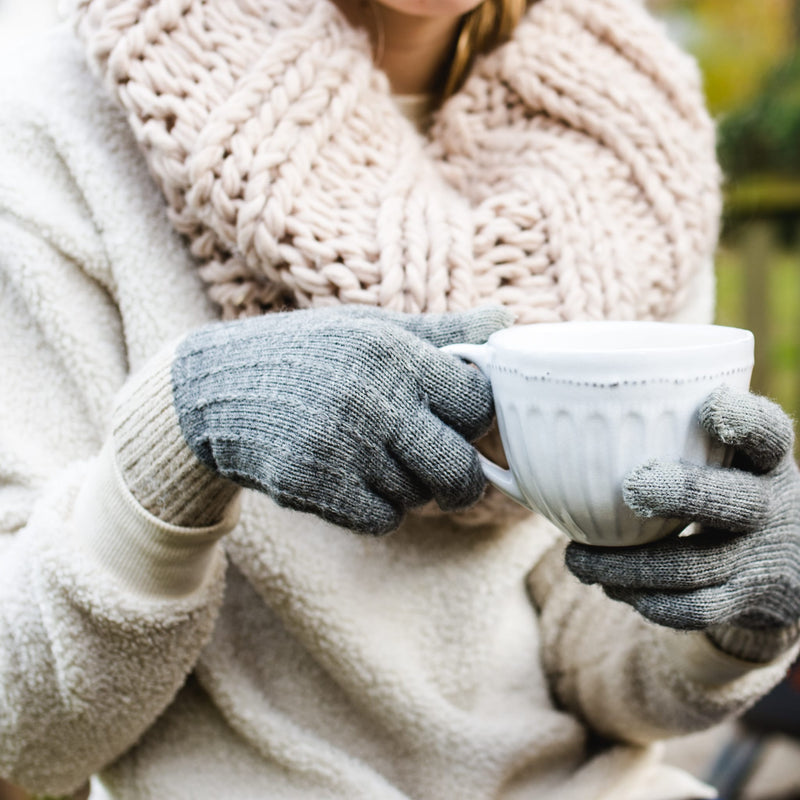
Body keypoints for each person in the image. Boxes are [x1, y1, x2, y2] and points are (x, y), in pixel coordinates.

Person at [0, 0, 798, 798]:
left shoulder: (633, 129)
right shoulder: (60, 119)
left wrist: (732, 610)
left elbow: (593, 650)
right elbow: (20, 737)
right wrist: (178, 437)